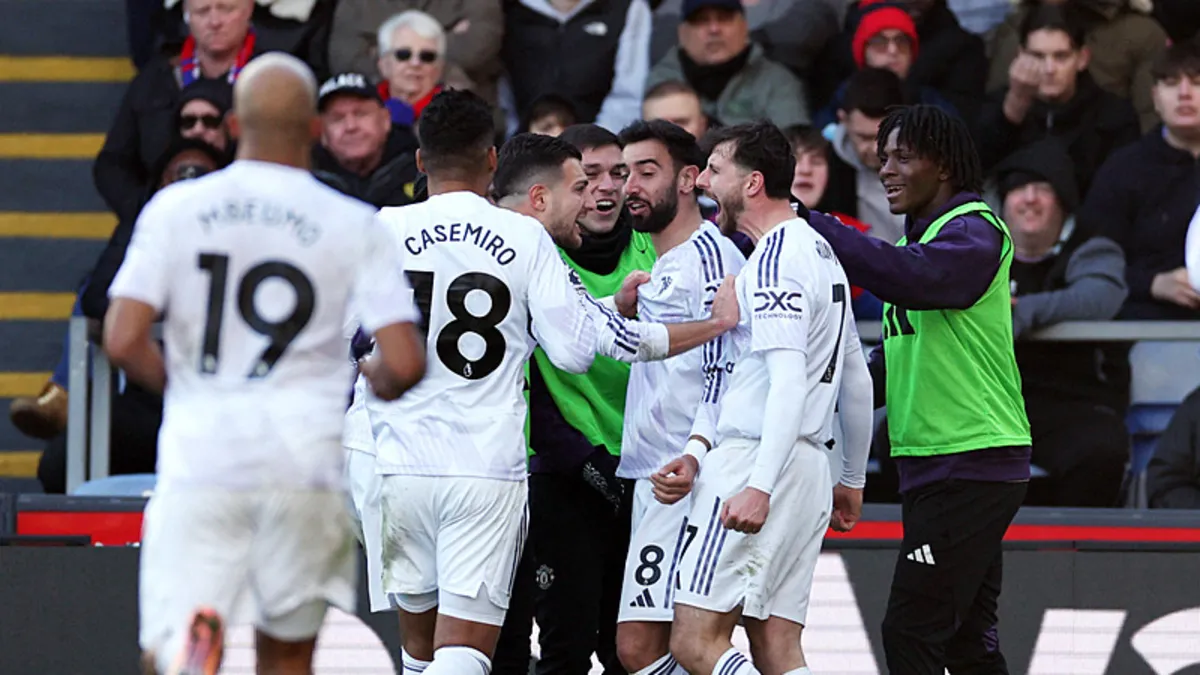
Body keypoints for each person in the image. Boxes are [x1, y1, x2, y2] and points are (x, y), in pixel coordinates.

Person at [367, 88, 738, 675]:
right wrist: (710, 326)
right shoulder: (523, 237)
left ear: (419, 161)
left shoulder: (381, 229)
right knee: (465, 653)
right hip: (482, 468)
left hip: (393, 462)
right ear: (491, 159)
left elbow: (346, 346)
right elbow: (574, 350)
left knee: (419, 651)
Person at [102, 53, 427, 675]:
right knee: (288, 654)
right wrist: (377, 379)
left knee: (177, 639)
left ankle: (192, 650)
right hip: (303, 464)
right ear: (315, 130)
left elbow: (122, 339)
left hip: (204, 457)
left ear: (231, 126)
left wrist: (190, 389)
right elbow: (405, 362)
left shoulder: (176, 209)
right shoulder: (353, 222)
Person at [806, 105, 1032, 674]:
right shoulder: (924, 243)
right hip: (943, 462)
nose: (886, 169)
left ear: (945, 166)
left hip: (969, 459)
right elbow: (891, 366)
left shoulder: (976, 230)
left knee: (910, 631)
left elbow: (916, 278)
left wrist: (818, 226)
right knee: (968, 644)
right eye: (883, 158)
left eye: (903, 157)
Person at [662, 121, 874, 675]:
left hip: (756, 463)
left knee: (693, 641)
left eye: (715, 170)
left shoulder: (775, 261)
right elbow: (855, 378)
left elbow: (787, 381)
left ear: (752, 183)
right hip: (807, 468)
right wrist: (850, 478)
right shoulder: (822, 253)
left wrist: (759, 485)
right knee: (777, 648)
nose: (702, 181)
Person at [608, 120, 747, 675]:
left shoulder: (712, 258)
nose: (630, 187)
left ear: (689, 179)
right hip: (657, 477)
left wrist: (694, 454)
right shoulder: (661, 265)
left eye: (647, 172)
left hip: (692, 480)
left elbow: (725, 369)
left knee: (644, 647)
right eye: (625, 174)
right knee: (668, 649)